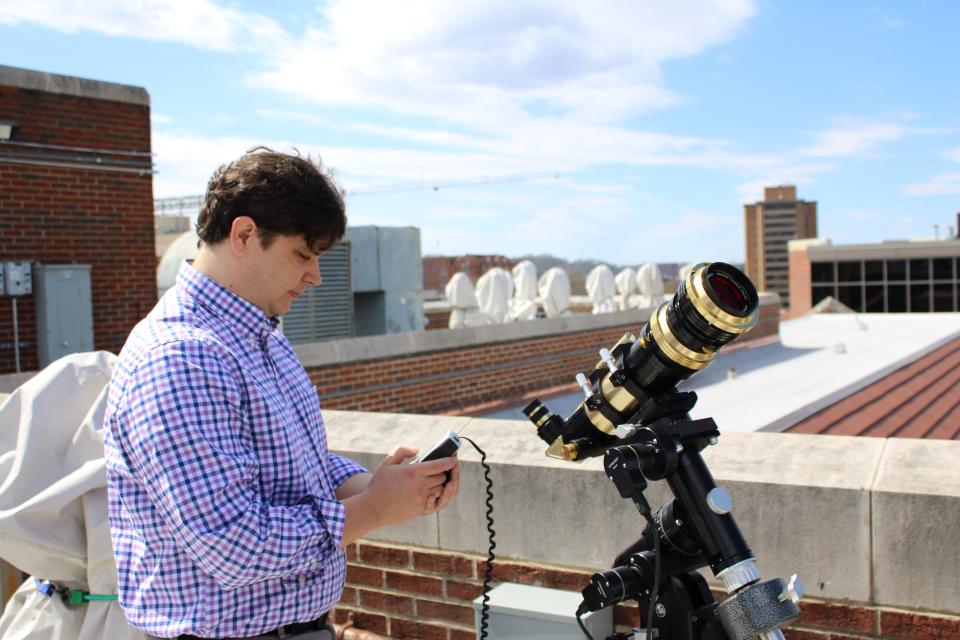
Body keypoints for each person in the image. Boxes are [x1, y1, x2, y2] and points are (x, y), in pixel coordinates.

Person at [103, 148, 460, 640]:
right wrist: (374, 510)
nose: (314, 275)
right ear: (245, 235)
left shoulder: (258, 333)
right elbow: (231, 544)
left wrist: (381, 488)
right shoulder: (180, 357)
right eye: (303, 255)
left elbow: (297, 465)